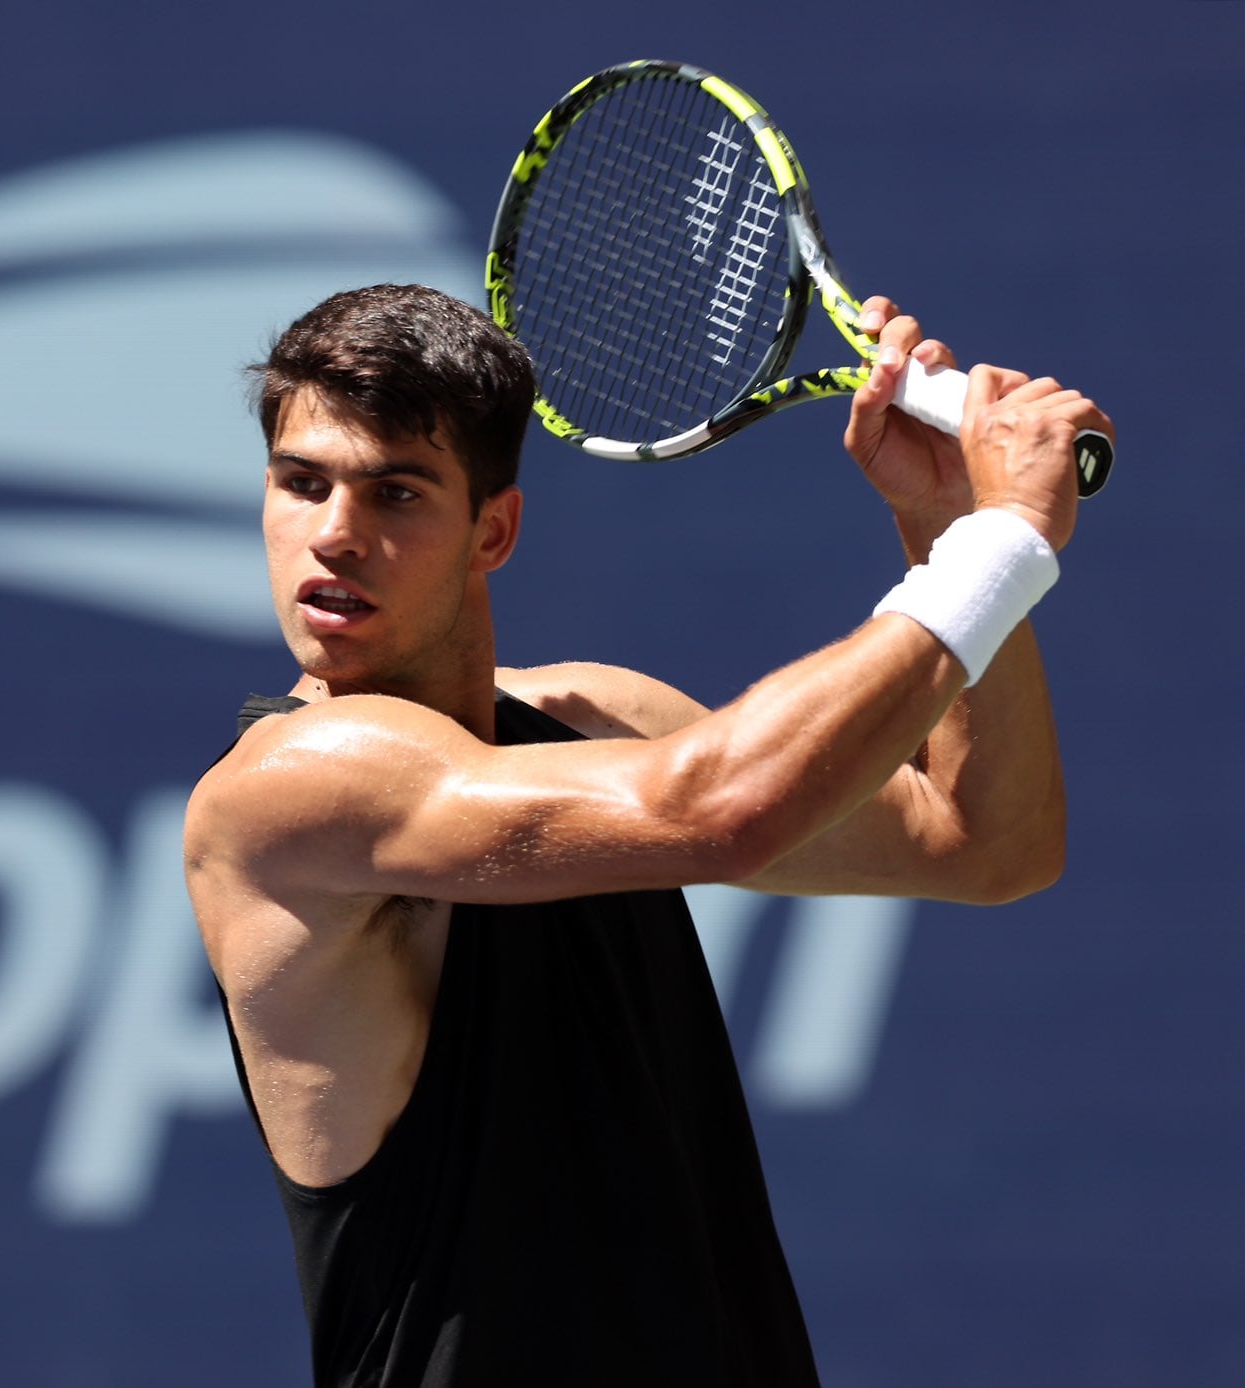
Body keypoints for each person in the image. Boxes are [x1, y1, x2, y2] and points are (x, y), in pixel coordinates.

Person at [182, 283, 1107, 1386]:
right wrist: (999, 542)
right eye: (300, 483)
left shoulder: (590, 717)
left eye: (395, 491)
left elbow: (986, 841)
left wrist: (945, 523)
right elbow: (715, 811)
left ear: (492, 530)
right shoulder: (285, 790)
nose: (334, 533)